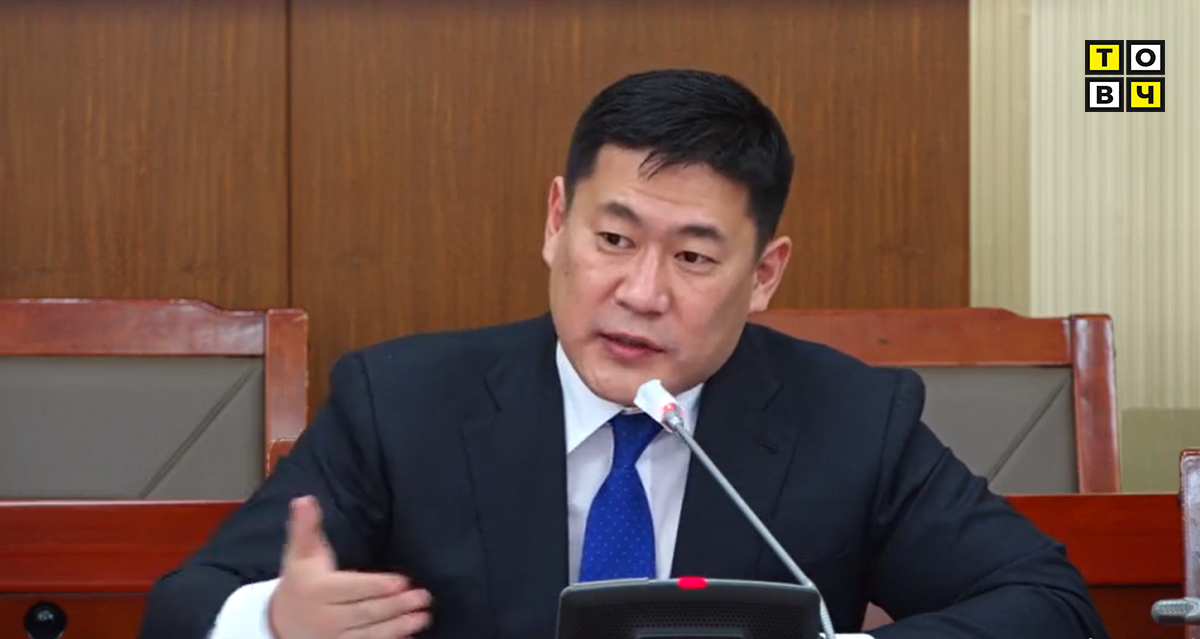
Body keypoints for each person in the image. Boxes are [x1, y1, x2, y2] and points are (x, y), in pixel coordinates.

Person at [137, 68, 1109, 639]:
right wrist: (274, 621)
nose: (642, 291)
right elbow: (184, 606)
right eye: (613, 238)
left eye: (694, 257)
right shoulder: (402, 404)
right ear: (556, 221)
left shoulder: (851, 419)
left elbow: (1051, 605)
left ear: (764, 274)